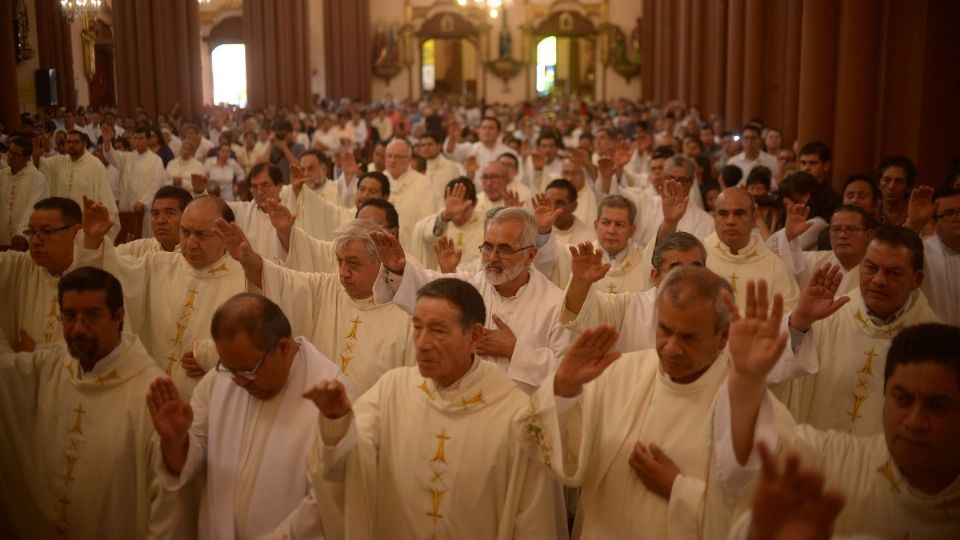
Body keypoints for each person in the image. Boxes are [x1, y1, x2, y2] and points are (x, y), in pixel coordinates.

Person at [515, 269, 797, 539]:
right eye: (665, 329)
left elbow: (766, 522)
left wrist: (678, 491)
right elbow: (543, 448)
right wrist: (564, 386)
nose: (671, 347)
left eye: (688, 337)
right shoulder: (618, 373)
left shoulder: (752, 411)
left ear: (723, 336)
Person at [305, 278, 562, 539]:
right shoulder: (391, 391)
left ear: (474, 336)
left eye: (438, 331)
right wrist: (336, 422)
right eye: (417, 327)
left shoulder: (516, 416)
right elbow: (345, 469)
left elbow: (534, 522)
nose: (422, 343)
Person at [718, 320, 960, 538]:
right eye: (903, 400)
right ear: (885, 396)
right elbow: (770, 448)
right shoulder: (836, 461)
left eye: (938, 406)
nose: (915, 421)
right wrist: (746, 383)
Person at [0, 267, 190, 538]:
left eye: (92, 315)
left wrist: (177, 450)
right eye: (69, 316)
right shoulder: (51, 365)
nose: (78, 328)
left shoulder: (151, 394)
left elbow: (169, 503)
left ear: (119, 317)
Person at [149, 293, 345, 539]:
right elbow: (190, 460)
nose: (239, 382)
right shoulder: (219, 380)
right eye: (231, 370)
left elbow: (328, 500)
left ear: (283, 348)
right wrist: (176, 441)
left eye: (249, 371)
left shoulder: (334, 400)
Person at [371, 206, 569, 393]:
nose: (492, 257)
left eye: (504, 249)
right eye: (488, 247)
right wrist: (398, 269)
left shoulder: (556, 304)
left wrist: (514, 350)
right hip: (466, 405)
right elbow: (429, 287)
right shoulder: (472, 285)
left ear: (530, 255)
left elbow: (566, 372)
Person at [216, 218, 416, 394]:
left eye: (353, 264)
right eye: (340, 262)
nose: (344, 273)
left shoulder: (405, 309)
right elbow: (279, 281)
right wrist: (248, 259)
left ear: (380, 262)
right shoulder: (326, 287)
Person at [76, 195, 246, 398]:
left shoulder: (246, 279)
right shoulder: (156, 265)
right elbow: (108, 276)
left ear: (227, 233)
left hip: (205, 405)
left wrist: (215, 355)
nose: (190, 244)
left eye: (202, 235)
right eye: (185, 232)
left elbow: (260, 341)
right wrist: (94, 242)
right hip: (147, 397)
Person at [786, 225, 941, 435]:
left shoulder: (933, 342)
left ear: (917, 280)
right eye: (870, 267)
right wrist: (799, 324)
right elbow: (785, 382)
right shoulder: (826, 318)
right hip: (820, 460)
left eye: (893, 273)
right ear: (860, 265)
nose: (878, 280)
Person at [558, 232, 706, 353]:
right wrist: (581, 281)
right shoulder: (628, 307)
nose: (687, 277)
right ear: (655, 276)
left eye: (695, 268)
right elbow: (585, 314)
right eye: (676, 269)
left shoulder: (715, 314)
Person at [0, 197, 83, 351]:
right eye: (31, 232)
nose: (35, 241)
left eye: (46, 231)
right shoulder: (20, 266)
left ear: (75, 233)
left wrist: (36, 354)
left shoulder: (93, 278)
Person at [704, 187, 800, 312]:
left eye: (739, 214)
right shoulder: (700, 254)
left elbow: (788, 314)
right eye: (723, 214)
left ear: (754, 216)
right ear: (714, 217)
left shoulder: (773, 265)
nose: (730, 221)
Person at [768, 204, 876, 297]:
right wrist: (788, 236)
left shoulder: (877, 271)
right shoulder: (812, 261)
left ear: (868, 235)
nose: (842, 235)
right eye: (836, 229)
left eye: (851, 229)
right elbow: (771, 265)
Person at [548, 195, 646, 293]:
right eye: (605, 222)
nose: (611, 231)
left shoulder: (644, 266)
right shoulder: (573, 258)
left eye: (619, 224)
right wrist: (543, 231)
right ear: (596, 225)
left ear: (632, 231)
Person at [38, 129, 119, 241]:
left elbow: (104, 195)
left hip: (83, 225)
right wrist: (36, 152)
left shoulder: (94, 165)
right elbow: (40, 166)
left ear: (84, 144)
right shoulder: (59, 162)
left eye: (75, 142)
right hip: (60, 224)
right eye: (68, 142)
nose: (71, 145)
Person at [102, 125, 165, 238]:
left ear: (148, 140)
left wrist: (143, 201)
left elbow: (156, 185)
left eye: (141, 138)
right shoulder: (127, 157)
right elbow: (110, 156)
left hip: (144, 210)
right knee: (127, 240)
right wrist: (107, 142)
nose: (137, 141)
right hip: (127, 208)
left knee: (144, 240)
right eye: (135, 138)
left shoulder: (156, 160)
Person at [411, 178, 483, 272]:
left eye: (464, 208)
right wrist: (446, 216)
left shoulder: (486, 225)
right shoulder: (437, 220)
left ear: (475, 203)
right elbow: (426, 235)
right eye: (456, 206)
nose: (458, 214)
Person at [382, 138, 440, 249]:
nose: (392, 160)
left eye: (398, 156)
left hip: (412, 251)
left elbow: (427, 223)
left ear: (409, 159)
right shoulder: (378, 181)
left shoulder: (424, 183)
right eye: (389, 156)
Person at [918, 187, 960, 325]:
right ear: (934, 222)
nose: (958, 217)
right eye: (949, 213)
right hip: (935, 338)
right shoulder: (922, 251)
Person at [0, 135, 49, 248]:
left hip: (23, 241)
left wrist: (22, 233)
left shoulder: (37, 178)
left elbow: (34, 207)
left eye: (16, 155)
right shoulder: (2, 175)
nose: (11, 157)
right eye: (10, 152)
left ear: (27, 158)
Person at [116, 185, 193, 257]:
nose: (160, 221)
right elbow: (110, 255)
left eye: (169, 213)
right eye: (155, 213)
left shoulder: (196, 255)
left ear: (188, 217)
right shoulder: (142, 249)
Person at [544, 178, 595, 246]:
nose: (553, 208)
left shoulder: (589, 238)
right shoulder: (537, 234)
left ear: (574, 206)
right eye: (548, 202)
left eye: (559, 203)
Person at [419, 131, 464, 202]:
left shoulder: (451, 167)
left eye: (430, 144)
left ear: (439, 146)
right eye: (423, 145)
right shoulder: (417, 168)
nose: (426, 148)